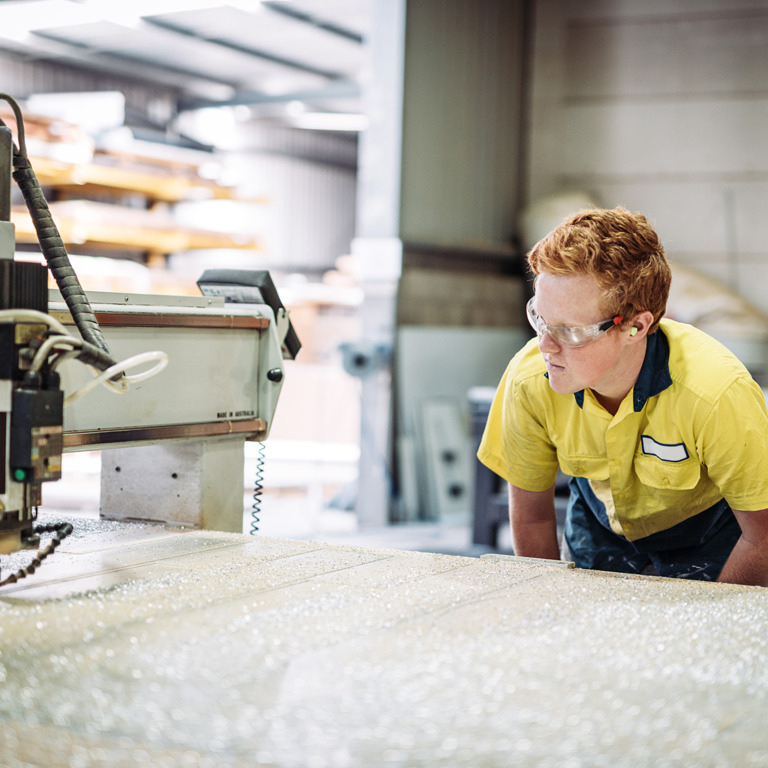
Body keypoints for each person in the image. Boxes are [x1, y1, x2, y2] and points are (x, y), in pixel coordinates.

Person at [477, 206, 768, 585]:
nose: (545, 345)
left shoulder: (715, 394)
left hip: (708, 533)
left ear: (636, 326)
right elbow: (532, 516)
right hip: (601, 522)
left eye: (569, 331)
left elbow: (762, 535)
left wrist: (716, 621)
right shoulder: (529, 379)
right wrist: (547, 606)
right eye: (540, 318)